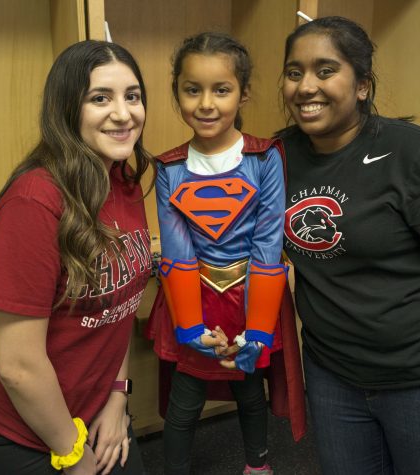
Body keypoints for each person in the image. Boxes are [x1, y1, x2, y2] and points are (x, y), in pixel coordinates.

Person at [278, 16, 420, 475]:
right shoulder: (276, 157)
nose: (306, 86)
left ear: (363, 86)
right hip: (331, 375)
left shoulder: (417, 156)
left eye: (326, 70)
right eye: (294, 72)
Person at [0, 40, 155, 475]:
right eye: (101, 98)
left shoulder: (122, 179)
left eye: (132, 96)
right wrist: (72, 453)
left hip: (96, 408)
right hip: (16, 429)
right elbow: (18, 366)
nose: (123, 113)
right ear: (66, 108)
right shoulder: (35, 202)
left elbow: (118, 305)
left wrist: (118, 394)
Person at [145, 32, 306, 475]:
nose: (206, 104)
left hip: (251, 295)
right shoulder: (169, 167)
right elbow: (176, 245)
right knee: (185, 399)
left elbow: (269, 242)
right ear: (176, 91)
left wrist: (257, 329)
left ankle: (257, 466)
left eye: (222, 89)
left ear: (244, 93)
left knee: (250, 391)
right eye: (192, 89)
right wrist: (190, 323)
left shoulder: (266, 156)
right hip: (193, 297)